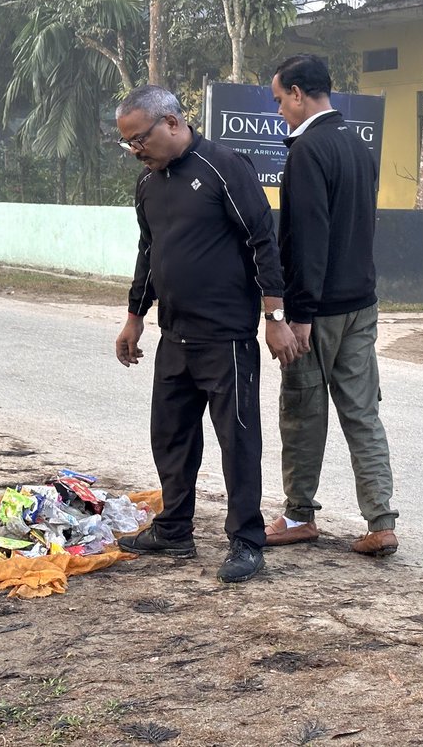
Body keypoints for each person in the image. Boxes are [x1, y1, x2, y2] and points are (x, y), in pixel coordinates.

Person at [113, 85, 298, 583]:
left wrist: (274, 318)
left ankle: (246, 541)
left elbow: (263, 239)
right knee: (170, 437)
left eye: (140, 139)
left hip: (227, 338)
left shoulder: (223, 166)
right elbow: (148, 253)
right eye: (128, 143)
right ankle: (174, 529)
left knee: (238, 440)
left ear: (172, 123)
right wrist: (135, 316)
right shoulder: (148, 185)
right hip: (175, 336)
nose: (136, 150)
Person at [264, 54, 399, 556]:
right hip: (362, 304)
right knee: (363, 412)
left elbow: (306, 241)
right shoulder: (357, 147)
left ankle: (299, 514)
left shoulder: (306, 151)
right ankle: (381, 520)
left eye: (280, 100)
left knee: (302, 410)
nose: (279, 111)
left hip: (316, 311)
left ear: (299, 93)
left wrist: (293, 315)